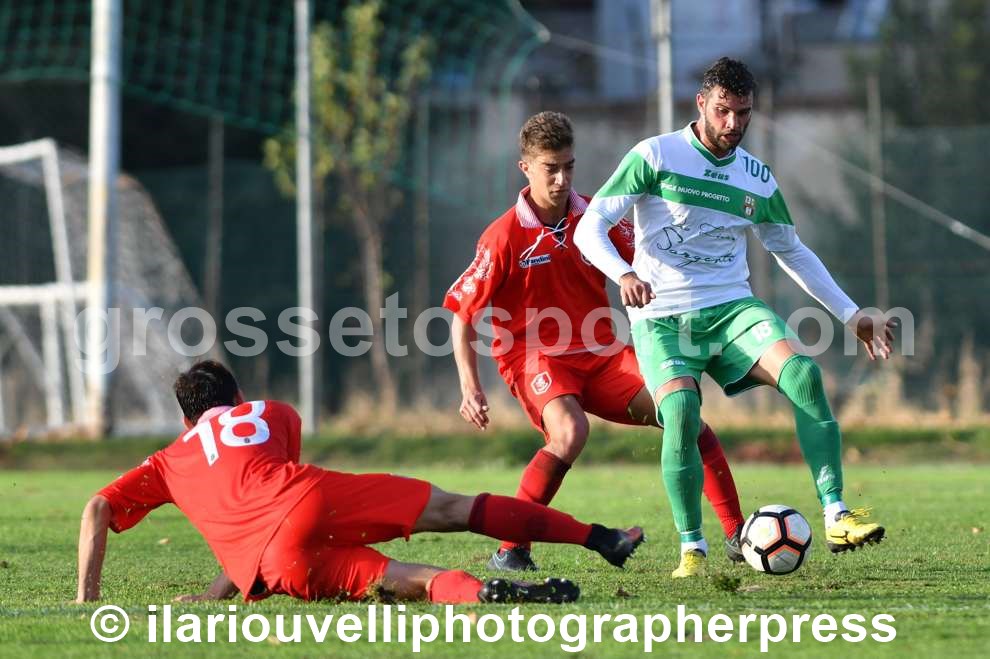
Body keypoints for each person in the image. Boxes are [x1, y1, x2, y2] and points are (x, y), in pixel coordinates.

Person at [575, 57, 896, 578]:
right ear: (701, 103)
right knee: (680, 411)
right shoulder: (655, 154)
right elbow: (590, 227)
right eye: (723, 111)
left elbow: (791, 250)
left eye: (743, 113)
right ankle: (692, 548)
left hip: (731, 308)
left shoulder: (757, 178)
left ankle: (837, 515)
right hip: (662, 315)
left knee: (803, 374)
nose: (733, 124)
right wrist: (623, 273)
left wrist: (850, 314)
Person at [75, 361, 645, 605]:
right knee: (456, 508)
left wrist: (88, 599)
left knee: (411, 581)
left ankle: (479, 594)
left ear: (186, 422)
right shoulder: (271, 413)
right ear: (239, 399)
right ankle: (600, 538)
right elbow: (274, 493)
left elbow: (97, 508)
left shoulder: (168, 458)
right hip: (310, 499)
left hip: (274, 564)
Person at [444, 111, 745, 572]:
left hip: (602, 355)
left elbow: (649, 263)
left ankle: (738, 534)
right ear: (525, 168)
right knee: (570, 432)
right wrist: (470, 387)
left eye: (569, 166)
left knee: (683, 412)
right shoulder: (502, 236)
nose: (562, 179)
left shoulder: (595, 218)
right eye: (550, 168)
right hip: (535, 358)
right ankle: (511, 548)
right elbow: (462, 316)